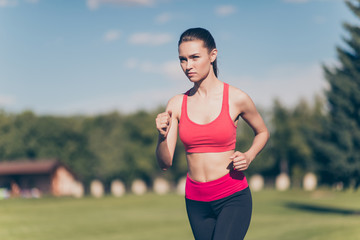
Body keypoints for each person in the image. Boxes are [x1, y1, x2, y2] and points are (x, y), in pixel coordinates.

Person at [155, 27, 270, 240]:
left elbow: (262, 132)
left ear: (212, 55)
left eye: (194, 57)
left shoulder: (236, 98)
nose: (188, 66)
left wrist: (249, 155)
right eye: (182, 59)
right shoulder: (177, 104)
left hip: (232, 196)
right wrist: (162, 135)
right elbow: (164, 163)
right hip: (196, 201)